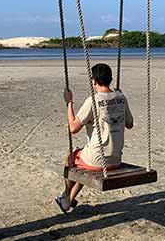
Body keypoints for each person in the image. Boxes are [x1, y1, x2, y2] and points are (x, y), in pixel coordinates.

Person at [55, 63, 133, 213]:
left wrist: (69, 102)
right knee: (84, 160)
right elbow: (129, 124)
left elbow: (73, 128)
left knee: (71, 159)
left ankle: (65, 195)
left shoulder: (92, 100)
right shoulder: (121, 97)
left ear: (94, 81)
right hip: (115, 160)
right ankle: (68, 201)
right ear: (110, 79)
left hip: (97, 161)